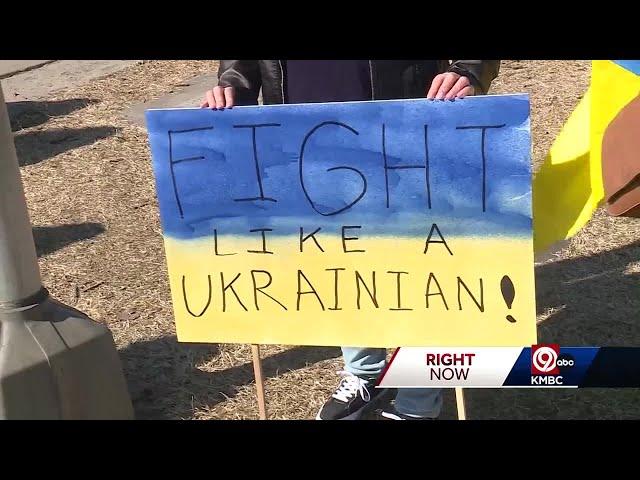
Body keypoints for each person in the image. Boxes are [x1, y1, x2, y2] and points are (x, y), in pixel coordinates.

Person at [202, 60, 500, 420]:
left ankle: (418, 401)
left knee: (420, 267)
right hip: (303, 130)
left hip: (407, 119)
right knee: (343, 258)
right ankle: (366, 373)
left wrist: (469, 71)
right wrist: (234, 84)